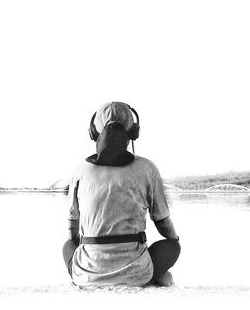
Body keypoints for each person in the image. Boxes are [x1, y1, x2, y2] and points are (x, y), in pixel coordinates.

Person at [62, 101, 181, 288]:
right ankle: (151, 277)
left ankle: (88, 275)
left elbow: (72, 229)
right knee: (172, 246)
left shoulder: (80, 170)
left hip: (87, 274)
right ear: (134, 132)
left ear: (94, 132)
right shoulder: (147, 168)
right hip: (137, 274)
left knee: (67, 246)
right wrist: (175, 238)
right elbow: (163, 224)